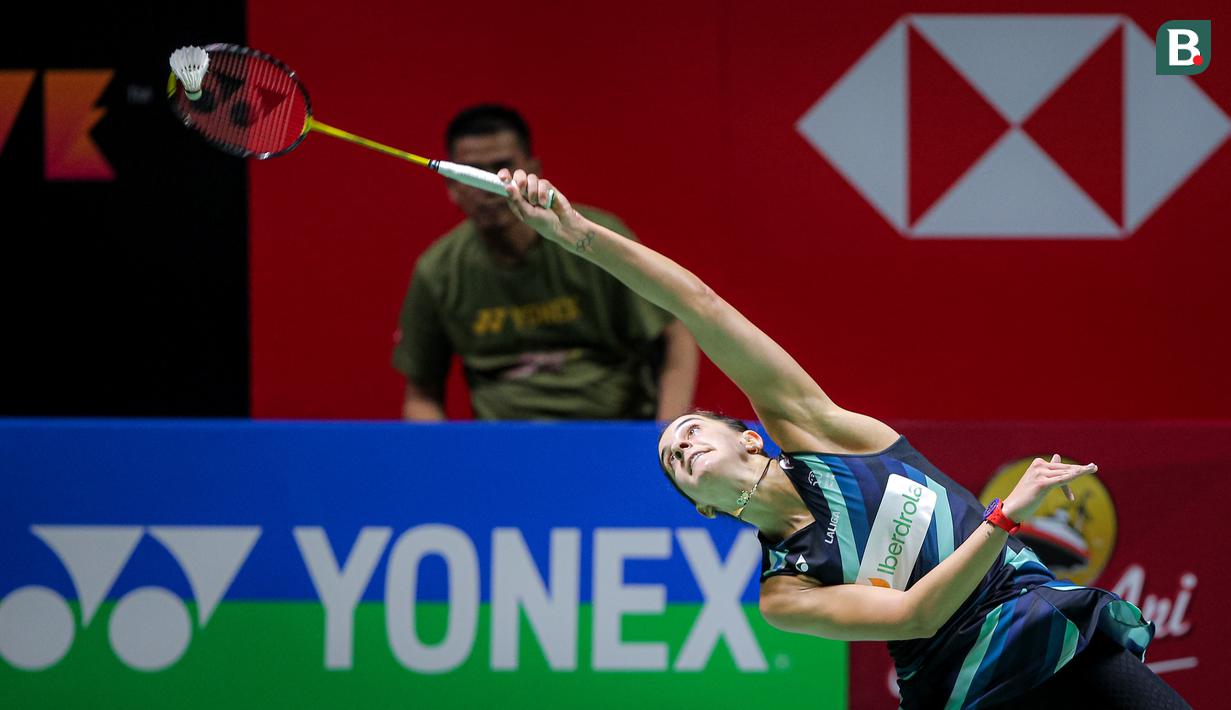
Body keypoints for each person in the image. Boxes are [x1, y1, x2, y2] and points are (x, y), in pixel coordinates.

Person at [497, 168, 1189, 709]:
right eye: (672, 463)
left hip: (1044, 624)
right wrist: (1004, 515)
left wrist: (580, 237)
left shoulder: (825, 436)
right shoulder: (785, 594)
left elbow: (697, 304)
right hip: (970, 690)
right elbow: (917, 615)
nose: (680, 449)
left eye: (688, 431)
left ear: (748, 439)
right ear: (701, 506)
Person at [392, 105, 697, 420]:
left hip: (614, 430)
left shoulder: (596, 237)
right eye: (472, 172)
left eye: (502, 167)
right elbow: (421, 394)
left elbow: (676, 334)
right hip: (503, 448)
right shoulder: (438, 270)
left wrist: (666, 435)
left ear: (532, 170)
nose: (487, 187)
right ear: (452, 185)